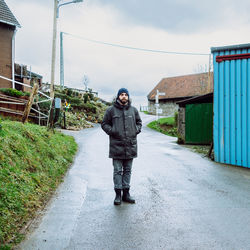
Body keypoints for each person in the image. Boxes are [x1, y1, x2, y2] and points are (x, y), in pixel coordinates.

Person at [101, 88, 142, 205]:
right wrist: (113, 131)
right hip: (116, 146)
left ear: (128, 97)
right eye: (122, 95)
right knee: (117, 171)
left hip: (131, 145)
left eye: (126, 95)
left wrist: (136, 130)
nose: (124, 96)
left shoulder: (133, 110)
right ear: (118, 97)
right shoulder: (111, 110)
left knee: (128, 171)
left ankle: (126, 194)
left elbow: (139, 123)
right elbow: (104, 124)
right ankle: (118, 194)